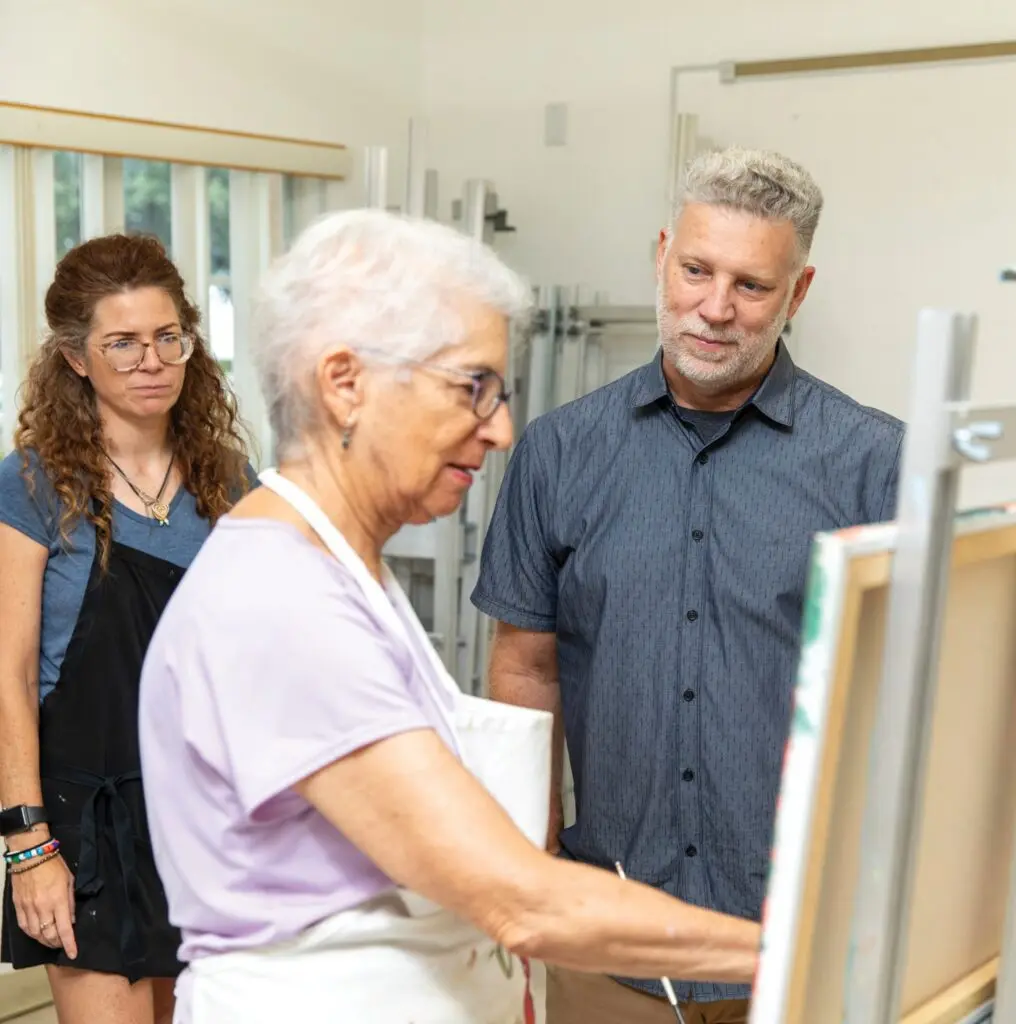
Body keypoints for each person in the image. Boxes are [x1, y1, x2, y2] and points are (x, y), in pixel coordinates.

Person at [137, 208, 762, 1024]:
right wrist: (803, 953)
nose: (501, 428)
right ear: (345, 383)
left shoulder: (344, 568)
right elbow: (522, 902)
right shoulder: (280, 601)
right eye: (474, 386)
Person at [471, 147, 905, 1024]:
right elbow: (525, 666)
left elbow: (913, 703)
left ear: (799, 291)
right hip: (611, 945)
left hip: (807, 953)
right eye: (697, 270)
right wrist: (534, 865)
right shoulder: (558, 452)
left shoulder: (874, 463)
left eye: (750, 285)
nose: (715, 308)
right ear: (661, 254)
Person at [0, 234, 252, 1024]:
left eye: (168, 337)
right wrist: (27, 844)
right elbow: (7, 676)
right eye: (123, 343)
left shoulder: (229, 479)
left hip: (206, 814)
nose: (152, 361)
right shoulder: (34, 485)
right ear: (77, 359)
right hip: (86, 823)